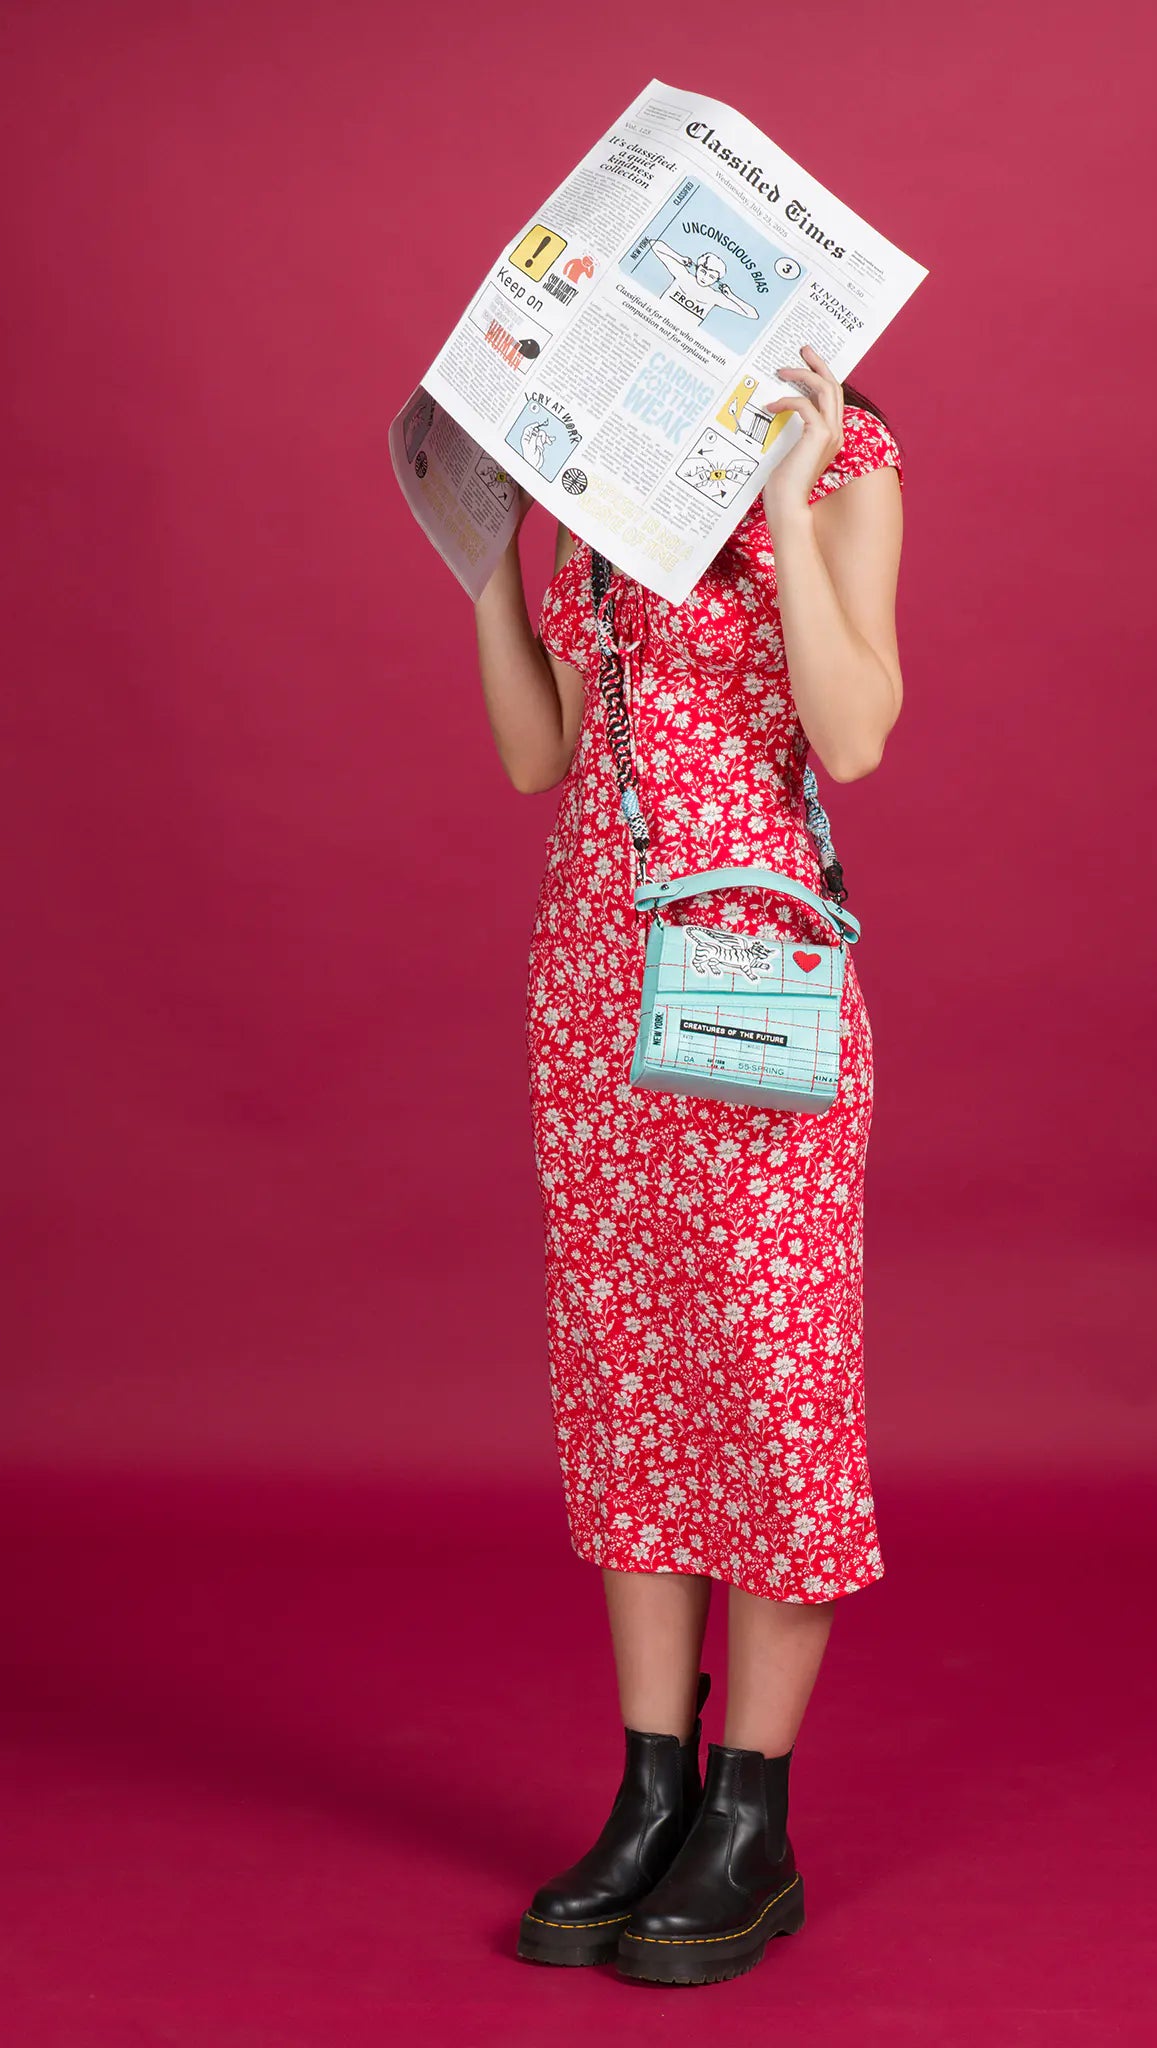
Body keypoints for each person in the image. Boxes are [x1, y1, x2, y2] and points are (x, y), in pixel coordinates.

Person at [471, 342, 906, 1986]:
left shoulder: (845, 452)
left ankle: (752, 1822)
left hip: (750, 965)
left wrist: (787, 502)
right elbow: (541, 760)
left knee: (771, 1375)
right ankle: (648, 1790)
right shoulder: (596, 484)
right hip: (594, 976)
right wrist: (488, 577)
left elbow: (854, 731)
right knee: (631, 1375)